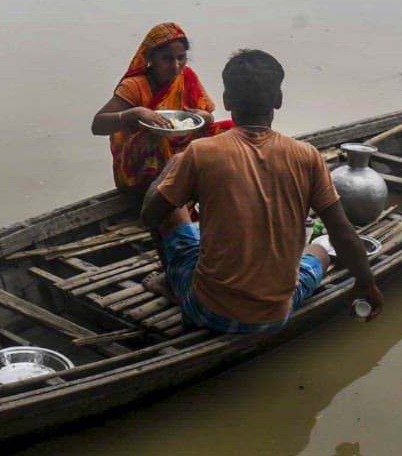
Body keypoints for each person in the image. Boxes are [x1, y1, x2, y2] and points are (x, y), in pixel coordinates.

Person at [140, 49, 384, 333]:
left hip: (209, 310)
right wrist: (367, 284)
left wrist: (172, 168)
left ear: (227, 101)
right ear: (278, 100)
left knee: (170, 200)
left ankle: (172, 283)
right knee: (320, 250)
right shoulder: (307, 156)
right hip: (277, 313)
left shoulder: (201, 152)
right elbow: (343, 234)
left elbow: (150, 216)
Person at [91, 22, 234, 192]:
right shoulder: (134, 86)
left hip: (182, 147)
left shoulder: (186, 76)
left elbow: (208, 119)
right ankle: (165, 204)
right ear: (150, 58)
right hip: (142, 162)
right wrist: (134, 114)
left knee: (232, 131)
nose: (176, 66)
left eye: (181, 58)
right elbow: (97, 125)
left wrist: (205, 117)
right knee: (156, 141)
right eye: (167, 58)